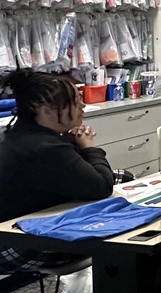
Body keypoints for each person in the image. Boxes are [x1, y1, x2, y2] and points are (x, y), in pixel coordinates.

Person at [0, 70, 114, 279]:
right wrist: (88, 147)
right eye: (74, 101)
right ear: (46, 111)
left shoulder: (23, 134)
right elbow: (102, 186)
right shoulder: (44, 148)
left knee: (122, 180)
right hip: (18, 244)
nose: (83, 106)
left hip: (20, 231)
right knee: (118, 241)